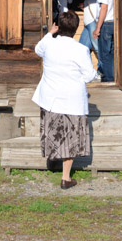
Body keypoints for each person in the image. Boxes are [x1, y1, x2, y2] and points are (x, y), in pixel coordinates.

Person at [32, 10, 97, 189]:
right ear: (77, 29)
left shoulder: (48, 44)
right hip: (71, 99)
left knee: (52, 129)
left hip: (50, 96)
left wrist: (50, 33)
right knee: (71, 135)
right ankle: (66, 177)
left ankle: (53, 159)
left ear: (58, 26)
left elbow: (37, 50)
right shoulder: (80, 50)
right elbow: (89, 75)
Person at [91, 0, 115, 83]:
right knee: (110, 53)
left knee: (104, 54)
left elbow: (103, 8)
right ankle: (112, 77)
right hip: (113, 23)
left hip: (105, 24)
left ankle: (108, 79)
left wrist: (97, 28)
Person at [77, 0, 101, 79]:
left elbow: (100, 7)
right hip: (87, 24)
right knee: (82, 48)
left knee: (98, 48)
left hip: (92, 23)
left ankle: (102, 72)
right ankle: (88, 73)